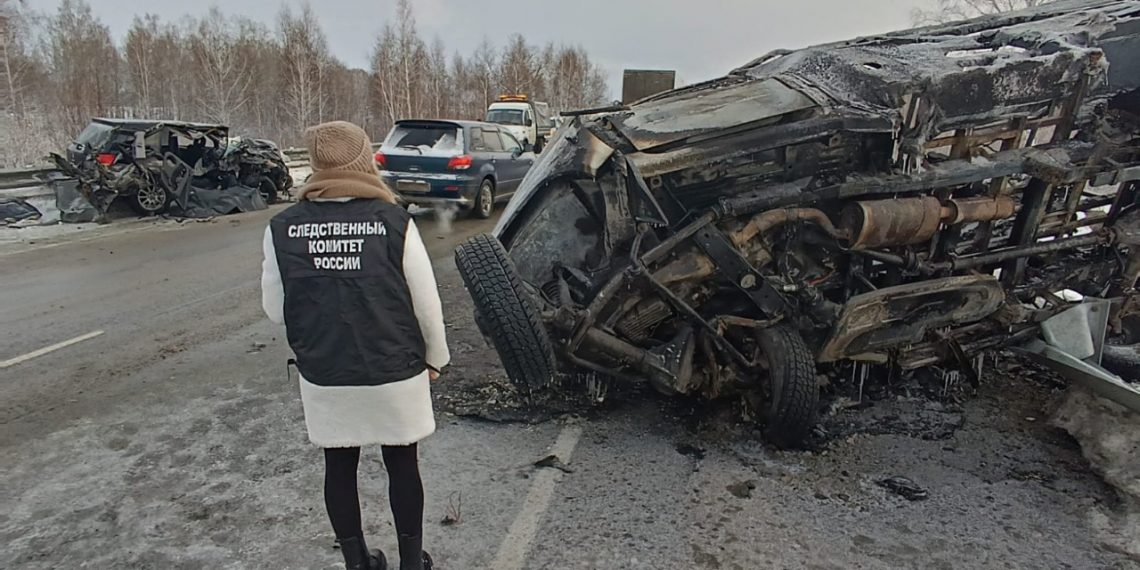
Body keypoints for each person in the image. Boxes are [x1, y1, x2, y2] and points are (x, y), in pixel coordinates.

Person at [260, 120, 449, 570]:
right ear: (365, 160)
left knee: (338, 466)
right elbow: (425, 303)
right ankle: (410, 562)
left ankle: (357, 561)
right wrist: (435, 358)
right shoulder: (394, 222)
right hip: (394, 368)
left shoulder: (282, 227)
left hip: (327, 369)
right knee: (403, 464)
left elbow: (274, 307)